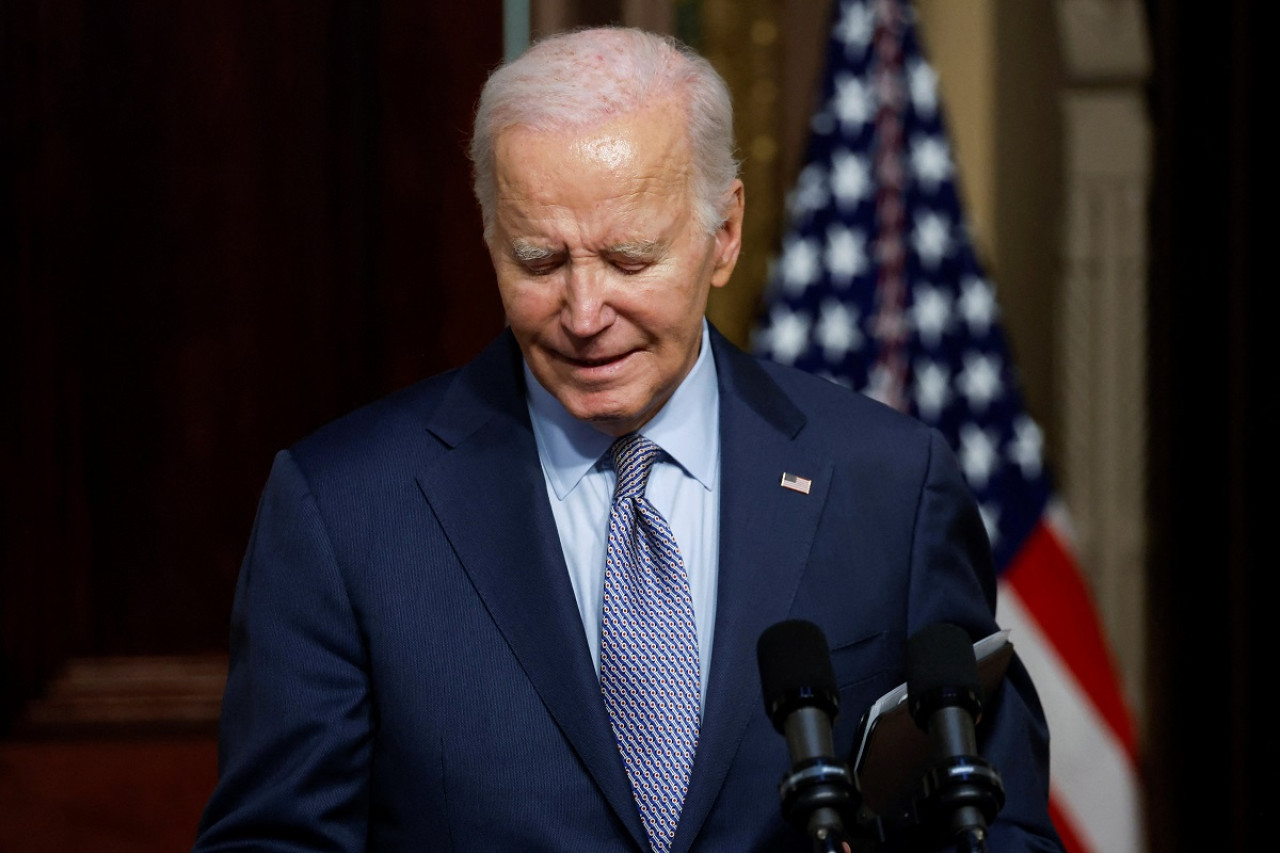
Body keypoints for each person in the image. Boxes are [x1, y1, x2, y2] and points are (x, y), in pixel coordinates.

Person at [193, 27, 1063, 852]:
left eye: (630, 260)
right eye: (538, 261)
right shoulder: (346, 510)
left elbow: (1003, 820)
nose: (583, 313)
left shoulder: (889, 485)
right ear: (491, 235)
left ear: (723, 235)